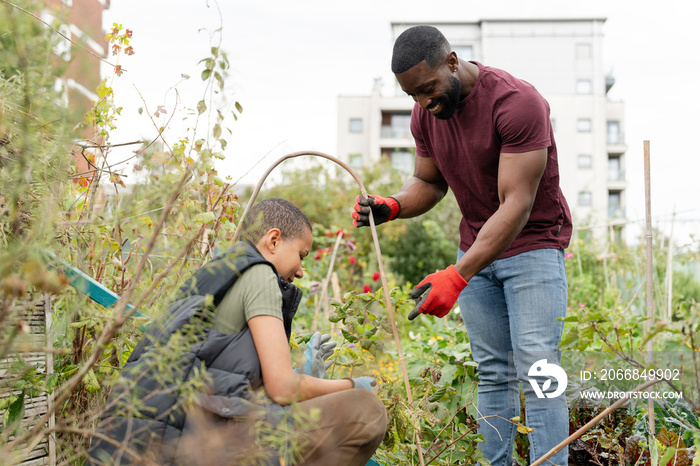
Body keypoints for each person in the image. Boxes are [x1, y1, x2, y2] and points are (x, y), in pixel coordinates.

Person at [352, 25, 571, 466]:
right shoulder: (425, 115)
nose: (423, 104)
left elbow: (517, 204)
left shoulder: (517, 103)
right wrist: (392, 205)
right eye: (412, 95)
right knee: (493, 373)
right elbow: (428, 182)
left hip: (532, 248)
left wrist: (457, 274)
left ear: (452, 62)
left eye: (428, 89)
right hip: (475, 251)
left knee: (539, 369)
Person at [90, 198, 387, 466]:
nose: (300, 271)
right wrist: (352, 385)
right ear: (273, 240)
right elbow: (282, 388)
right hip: (194, 445)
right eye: (302, 255)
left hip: (158, 443)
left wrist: (304, 372)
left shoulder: (217, 274)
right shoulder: (260, 275)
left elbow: (224, 386)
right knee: (366, 411)